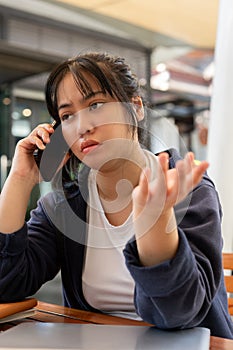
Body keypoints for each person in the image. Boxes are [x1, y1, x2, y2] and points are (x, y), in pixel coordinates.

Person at [0, 51, 232, 339]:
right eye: (67, 115)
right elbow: (7, 284)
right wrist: (20, 179)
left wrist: (156, 218)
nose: (82, 126)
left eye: (96, 104)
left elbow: (177, 314)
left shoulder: (186, 188)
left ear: (135, 107)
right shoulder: (65, 205)